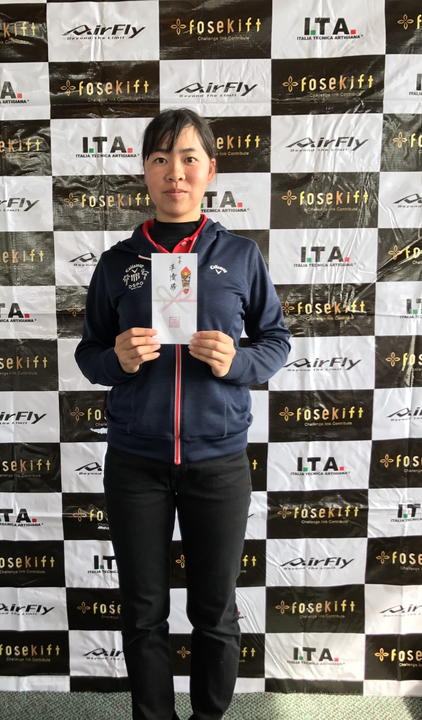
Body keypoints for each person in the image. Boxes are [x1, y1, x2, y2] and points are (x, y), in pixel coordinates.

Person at [75, 108, 290, 720]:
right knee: (143, 611)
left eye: (189, 158)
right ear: (146, 171)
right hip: (135, 462)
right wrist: (117, 359)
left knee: (214, 611)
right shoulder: (118, 261)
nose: (176, 172)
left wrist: (237, 362)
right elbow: (90, 354)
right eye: (162, 158)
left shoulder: (241, 255)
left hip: (218, 462)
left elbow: (275, 341)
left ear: (210, 170)